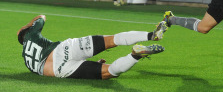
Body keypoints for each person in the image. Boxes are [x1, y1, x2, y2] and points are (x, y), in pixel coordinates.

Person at [17, 15, 167, 79]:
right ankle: (151, 35)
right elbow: (41, 17)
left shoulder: (26, 62)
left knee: (109, 72)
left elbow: (40, 69)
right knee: (112, 40)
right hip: (63, 49)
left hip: (59, 70)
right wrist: (27, 26)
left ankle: (135, 55)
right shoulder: (31, 34)